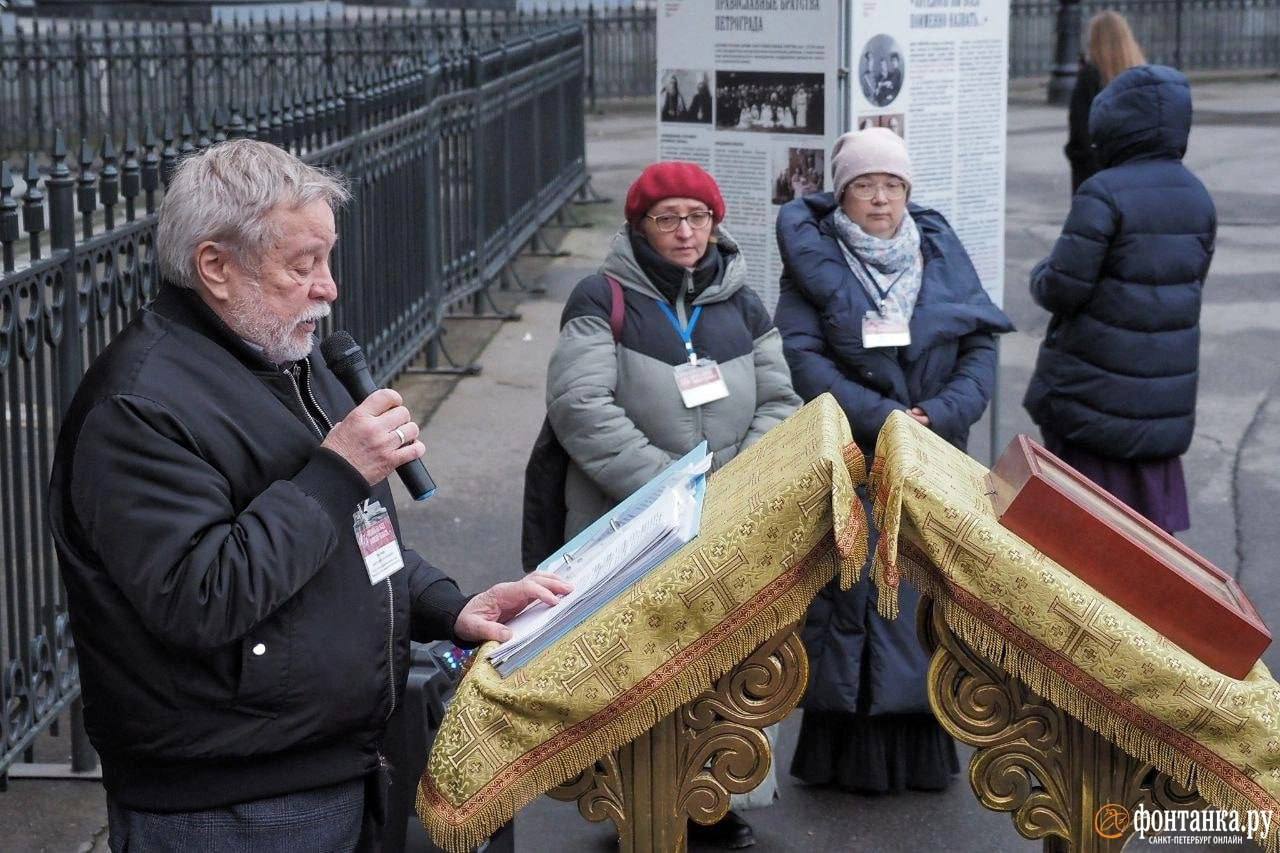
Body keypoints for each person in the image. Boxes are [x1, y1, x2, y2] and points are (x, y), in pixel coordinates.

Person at [47, 139, 572, 852]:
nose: (329, 287)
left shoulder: (283, 358)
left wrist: (447, 606)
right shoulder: (138, 407)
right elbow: (202, 596)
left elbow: (349, 538)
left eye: (328, 259)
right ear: (215, 267)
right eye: (303, 265)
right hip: (228, 803)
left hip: (331, 765)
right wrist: (337, 469)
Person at [545, 161, 801, 847]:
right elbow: (581, 406)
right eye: (668, 219)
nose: (685, 232)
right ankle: (635, 797)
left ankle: (713, 794)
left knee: (720, 662)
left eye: (698, 217)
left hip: (724, 519)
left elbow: (781, 400)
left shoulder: (743, 303)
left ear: (716, 223)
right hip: (630, 522)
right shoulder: (601, 298)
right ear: (641, 226)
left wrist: (735, 485)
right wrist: (673, 487)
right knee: (637, 664)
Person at [774, 128, 1013, 794]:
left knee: (919, 597)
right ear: (842, 193)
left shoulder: (937, 246)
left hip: (932, 453)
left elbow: (979, 344)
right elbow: (804, 358)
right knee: (852, 594)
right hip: (856, 456)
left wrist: (940, 413)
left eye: (892, 185)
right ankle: (846, 755)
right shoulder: (813, 259)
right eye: (864, 185)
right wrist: (886, 421)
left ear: (907, 191)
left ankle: (921, 751)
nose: (879, 199)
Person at [1026, 65, 1215, 534]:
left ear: (1113, 126)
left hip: (1094, 394)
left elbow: (1063, 288)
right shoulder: (1198, 197)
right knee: (1147, 543)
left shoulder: (1104, 193)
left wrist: (1039, 275)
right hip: (1163, 398)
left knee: (1085, 533)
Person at [1065, 11, 1145, 192]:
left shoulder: (1090, 77)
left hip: (1097, 180)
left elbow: (1080, 133)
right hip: (1136, 179)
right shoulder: (1141, 77)